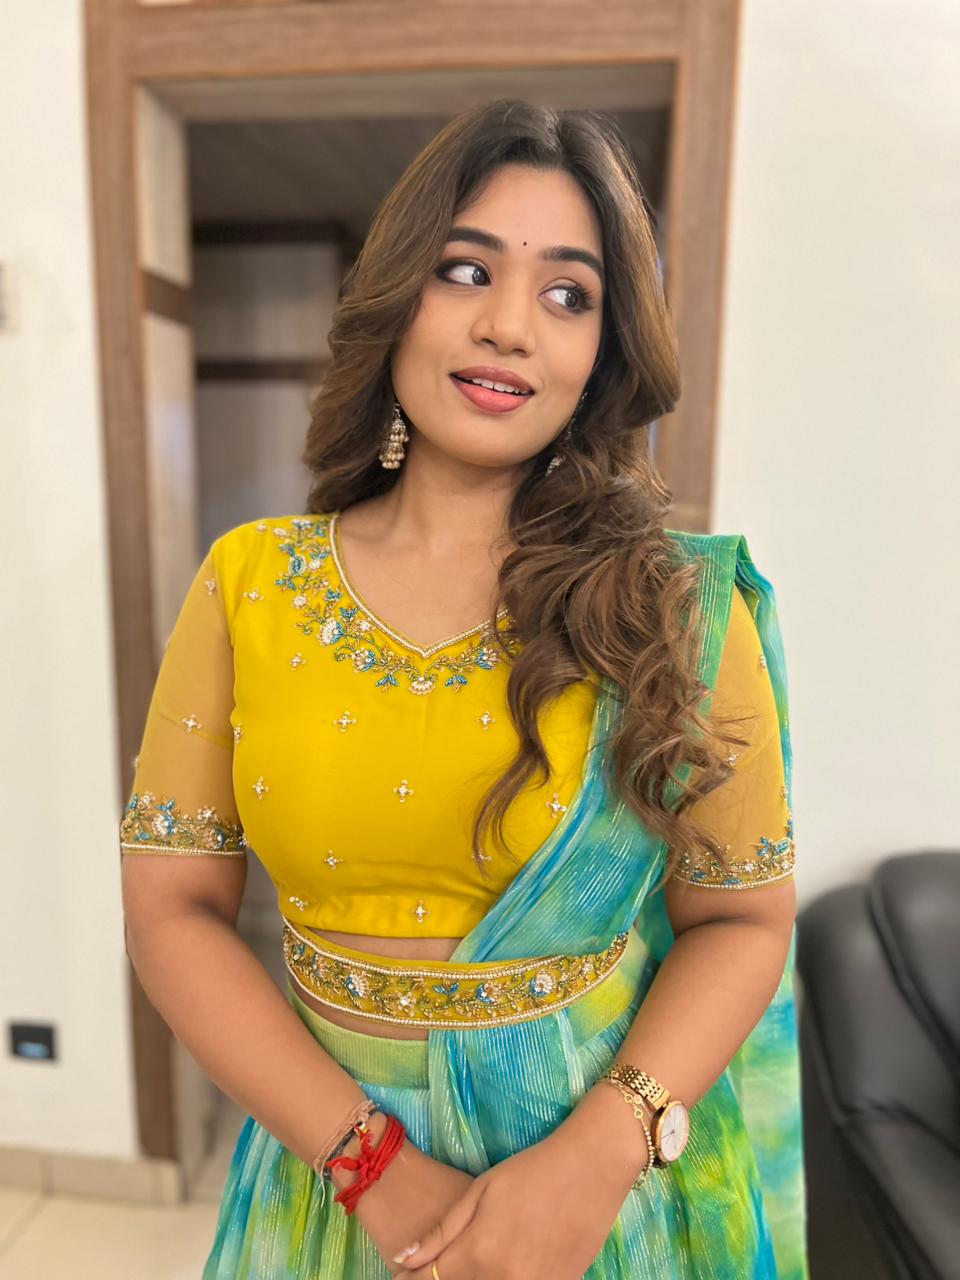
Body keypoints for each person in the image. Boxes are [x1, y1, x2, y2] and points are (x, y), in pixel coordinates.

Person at [120, 99, 806, 1279]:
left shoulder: (675, 606)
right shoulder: (251, 581)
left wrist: (595, 1158)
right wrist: (373, 1169)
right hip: (327, 1185)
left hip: (599, 1204)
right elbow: (171, 907)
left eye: (567, 293)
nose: (508, 326)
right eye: (466, 269)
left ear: (604, 351)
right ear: (397, 296)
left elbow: (742, 919)